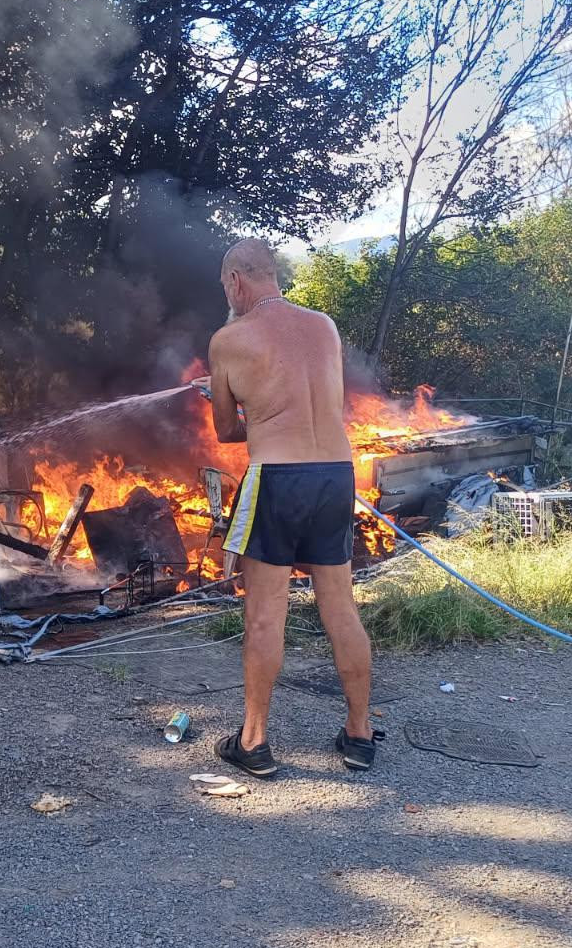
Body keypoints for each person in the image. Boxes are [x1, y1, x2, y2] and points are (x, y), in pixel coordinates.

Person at [194, 237, 380, 776]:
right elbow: (314, 399)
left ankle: (253, 742)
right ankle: (359, 733)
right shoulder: (323, 324)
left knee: (265, 614)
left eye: (226, 286)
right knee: (340, 609)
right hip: (335, 476)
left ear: (236, 282)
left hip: (277, 479)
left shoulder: (229, 338)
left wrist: (221, 394)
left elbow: (230, 431)